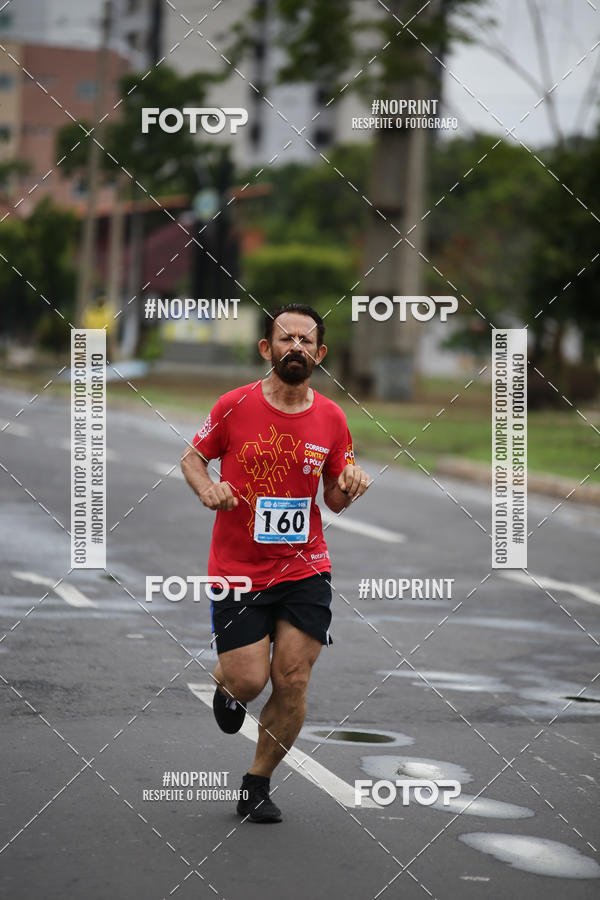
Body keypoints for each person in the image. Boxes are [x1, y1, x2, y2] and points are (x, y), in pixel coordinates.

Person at [181, 303, 370, 822]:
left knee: (293, 679)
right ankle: (228, 684)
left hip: (305, 567)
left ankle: (256, 783)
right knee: (249, 681)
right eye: (286, 339)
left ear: (320, 354)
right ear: (267, 348)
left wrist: (350, 486)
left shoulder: (333, 417)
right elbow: (193, 458)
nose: (296, 348)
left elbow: (333, 496)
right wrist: (208, 487)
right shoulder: (234, 405)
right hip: (238, 569)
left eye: (307, 341)